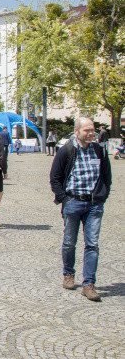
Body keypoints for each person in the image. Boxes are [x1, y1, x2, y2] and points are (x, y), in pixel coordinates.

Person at [49, 117, 112, 302]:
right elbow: (55, 178)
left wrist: (102, 196)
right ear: (77, 132)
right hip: (73, 203)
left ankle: (88, 284)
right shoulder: (66, 150)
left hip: (94, 205)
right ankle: (68, 274)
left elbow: (106, 176)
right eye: (86, 130)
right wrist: (64, 200)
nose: (91, 133)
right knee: (69, 242)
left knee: (92, 244)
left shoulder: (100, 150)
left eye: (92, 130)